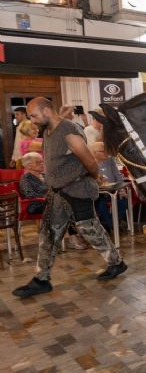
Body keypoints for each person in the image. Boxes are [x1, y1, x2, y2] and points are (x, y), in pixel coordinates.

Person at [12, 97, 127, 299]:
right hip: (58, 192)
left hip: (77, 189)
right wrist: (63, 113)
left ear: (47, 111)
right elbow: (58, 122)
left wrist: (96, 176)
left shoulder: (69, 132)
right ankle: (42, 279)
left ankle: (116, 263)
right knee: (48, 234)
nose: (32, 120)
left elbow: (89, 160)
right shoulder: (50, 129)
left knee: (89, 229)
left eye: (34, 115)